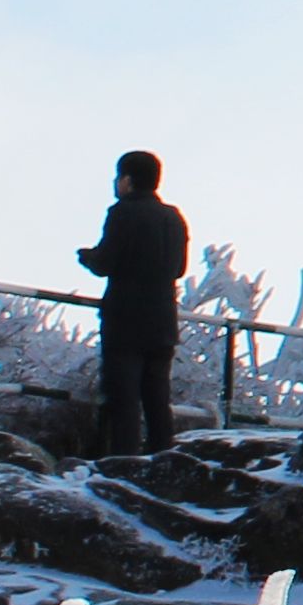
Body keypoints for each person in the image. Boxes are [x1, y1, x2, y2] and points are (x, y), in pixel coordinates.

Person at [77, 148, 193, 458]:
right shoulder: (173, 217)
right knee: (157, 399)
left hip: (125, 320)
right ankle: (162, 463)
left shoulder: (122, 212)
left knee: (124, 400)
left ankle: (123, 463)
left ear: (127, 180)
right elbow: (180, 268)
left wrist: (86, 257)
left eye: (118, 177)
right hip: (163, 320)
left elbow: (106, 262)